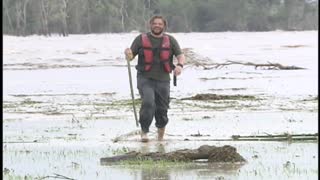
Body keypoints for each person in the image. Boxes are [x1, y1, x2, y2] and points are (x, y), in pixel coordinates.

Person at [124, 15, 185, 142]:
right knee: (148, 102)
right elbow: (130, 57)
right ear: (150, 25)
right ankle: (144, 132)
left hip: (163, 79)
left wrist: (179, 66)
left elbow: (180, 55)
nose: (157, 26)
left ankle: (160, 137)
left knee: (162, 108)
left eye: (160, 24)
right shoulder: (140, 39)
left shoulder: (171, 40)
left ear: (164, 26)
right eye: (155, 23)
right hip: (145, 78)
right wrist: (128, 53)